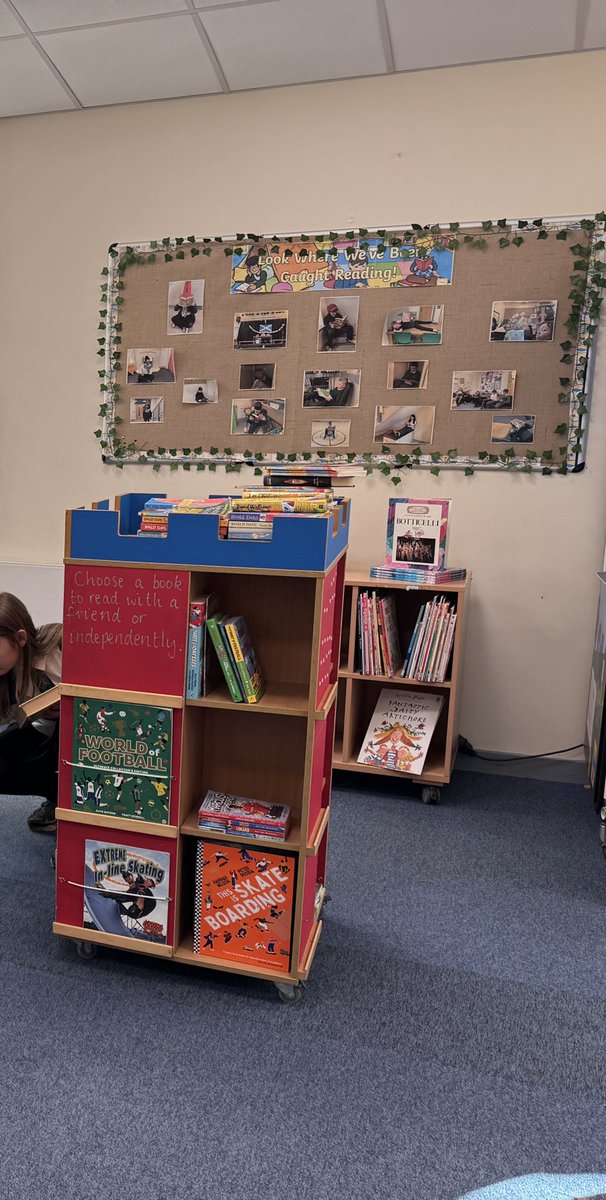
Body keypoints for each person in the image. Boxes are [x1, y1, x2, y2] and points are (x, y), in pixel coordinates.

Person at [0, 592, 62, 833]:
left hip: (80, 733)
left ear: (20, 638)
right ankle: (56, 795)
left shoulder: (59, 646)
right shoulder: (6, 670)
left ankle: (71, 804)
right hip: (42, 730)